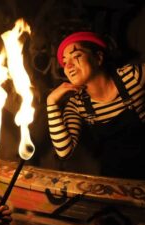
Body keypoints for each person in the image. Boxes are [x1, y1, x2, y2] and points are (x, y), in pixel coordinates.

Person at [46, 31, 145, 179]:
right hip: (115, 181)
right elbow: (63, 151)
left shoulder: (132, 77)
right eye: (65, 62)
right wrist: (51, 102)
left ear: (98, 58)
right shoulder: (77, 104)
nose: (69, 66)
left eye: (76, 56)